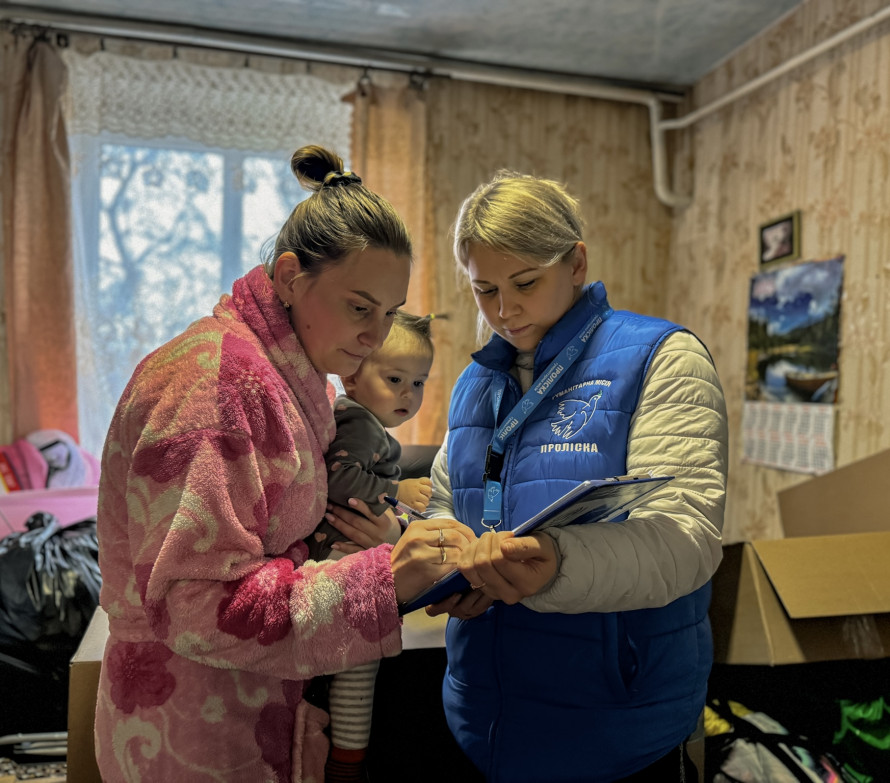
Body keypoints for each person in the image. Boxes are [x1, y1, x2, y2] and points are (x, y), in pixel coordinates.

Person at [93, 144, 474, 783]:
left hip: (253, 710)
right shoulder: (215, 383)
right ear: (293, 276)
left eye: (388, 313)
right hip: (193, 731)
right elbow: (198, 607)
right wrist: (386, 579)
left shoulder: (290, 380)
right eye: (360, 307)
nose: (376, 336)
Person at [424, 170, 729, 783]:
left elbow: (686, 539)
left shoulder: (663, 358)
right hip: (483, 720)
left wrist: (558, 565)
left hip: (617, 728)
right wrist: (444, 556)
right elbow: (444, 501)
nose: (504, 311)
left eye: (525, 283)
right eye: (484, 290)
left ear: (576, 263)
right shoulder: (473, 383)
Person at [306, 310, 435, 781]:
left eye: (418, 383)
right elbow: (340, 480)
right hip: (338, 561)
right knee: (361, 664)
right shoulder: (358, 423)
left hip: (348, 555)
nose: (408, 394)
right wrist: (397, 492)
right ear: (352, 378)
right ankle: (346, 761)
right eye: (395, 379)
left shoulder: (366, 424)